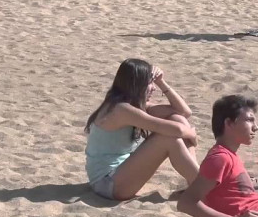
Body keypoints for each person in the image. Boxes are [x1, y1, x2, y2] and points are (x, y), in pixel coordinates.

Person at [84, 59, 198, 200]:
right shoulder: (121, 109)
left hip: (121, 174)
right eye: (149, 83)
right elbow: (176, 131)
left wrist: (161, 82)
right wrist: (191, 133)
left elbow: (184, 112)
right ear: (136, 85)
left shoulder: (134, 106)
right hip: (107, 184)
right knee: (168, 138)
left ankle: (196, 184)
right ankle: (202, 185)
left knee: (178, 120)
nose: (153, 88)